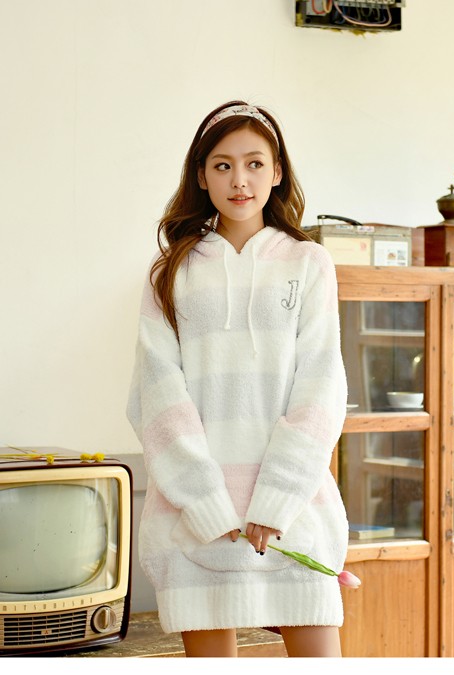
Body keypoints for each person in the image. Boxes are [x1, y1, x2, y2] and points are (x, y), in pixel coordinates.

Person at [126, 100, 349, 657]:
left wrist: (277, 501)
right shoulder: (171, 272)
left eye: (254, 163)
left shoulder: (309, 263)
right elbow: (156, 395)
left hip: (294, 511)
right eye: (222, 165)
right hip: (199, 520)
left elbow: (321, 387)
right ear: (201, 176)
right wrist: (205, 502)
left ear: (277, 173)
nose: (239, 180)